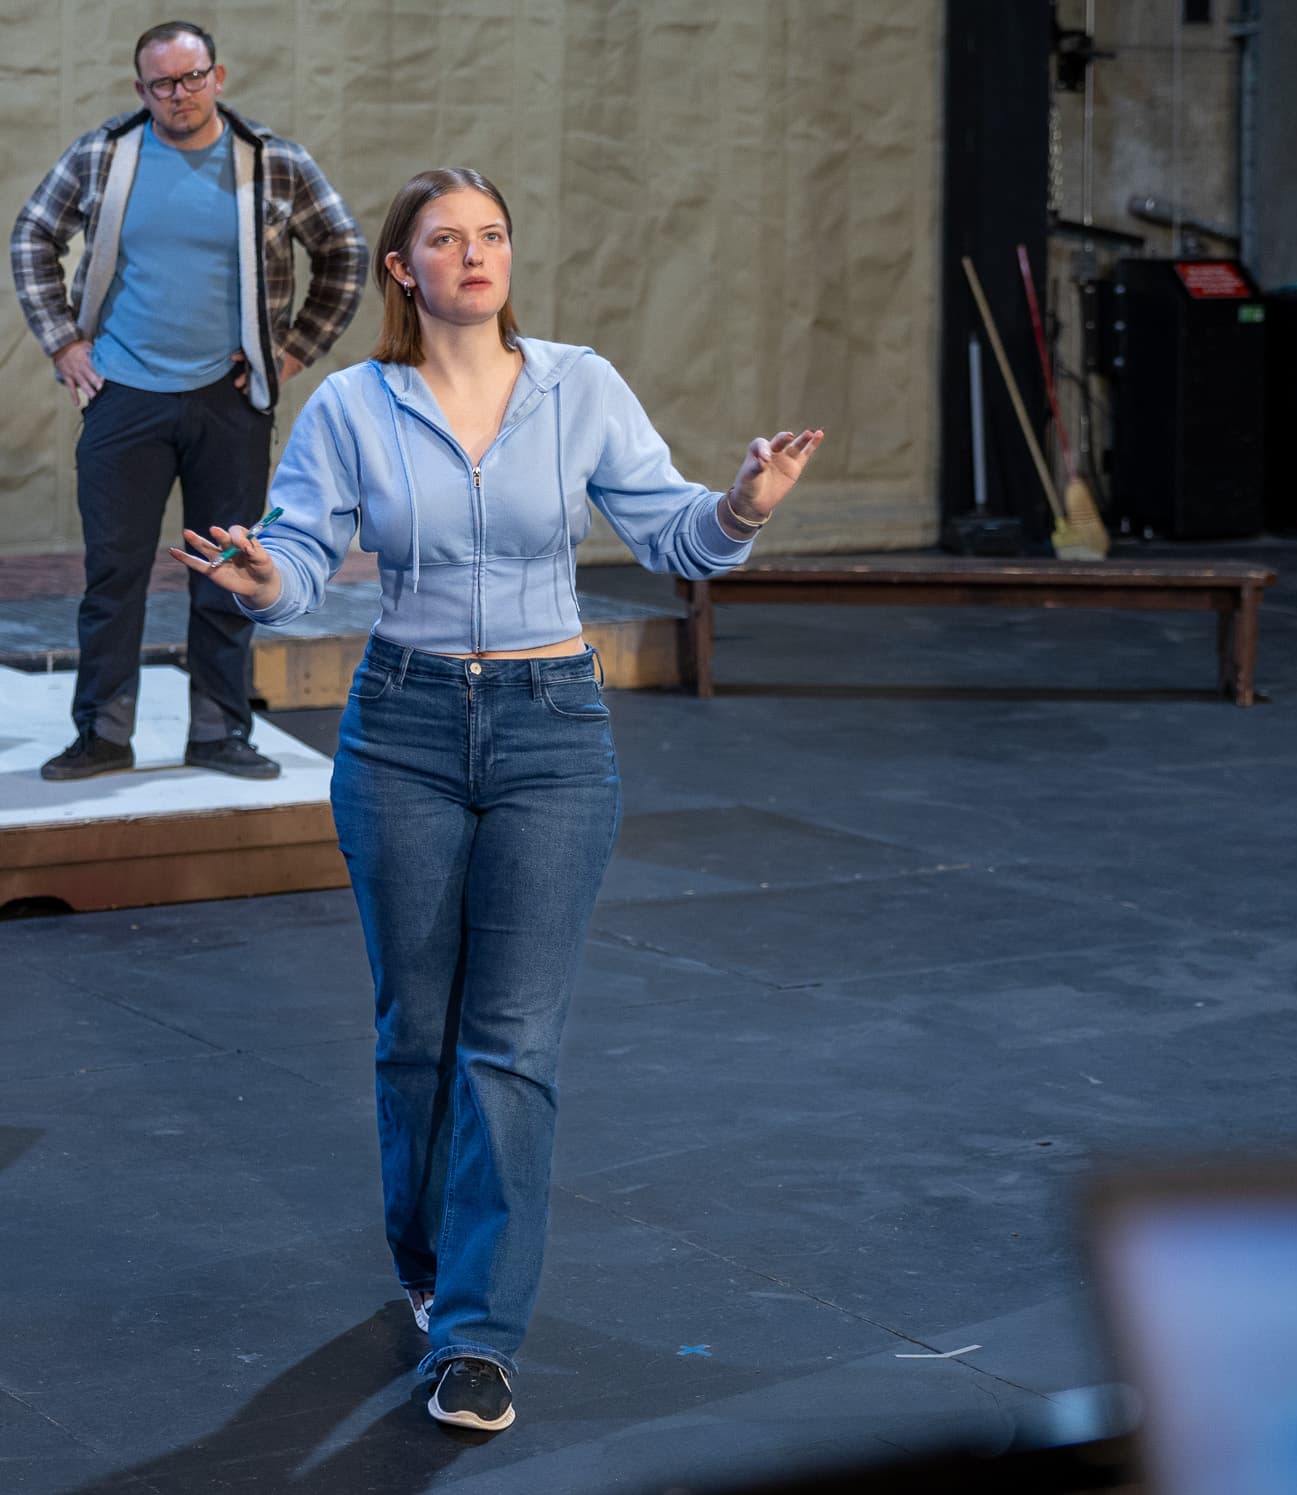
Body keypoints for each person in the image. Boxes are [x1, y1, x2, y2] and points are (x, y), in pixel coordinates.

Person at [172, 166, 824, 1433]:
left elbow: (676, 535)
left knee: (512, 1044)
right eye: (446, 239)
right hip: (403, 728)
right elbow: (297, 552)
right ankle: (428, 1266)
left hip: (550, 732)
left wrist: (743, 505)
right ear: (403, 269)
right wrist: (262, 579)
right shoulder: (354, 404)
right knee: (415, 1035)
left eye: (493, 236)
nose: (475, 255)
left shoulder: (581, 386)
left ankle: (477, 1333)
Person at [11, 19, 367, 781]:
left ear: (218, 76)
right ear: (141, 90)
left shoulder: (272, 161)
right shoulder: (105, 154)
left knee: (227, 569)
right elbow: (33, 234)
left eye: (193, 77)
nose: (180, 93)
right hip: (123, 395)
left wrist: (292, 351)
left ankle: (219, 731)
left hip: (227, 402)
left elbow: (345, 251)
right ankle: (102, 733)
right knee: (114, 574)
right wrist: (65, 343)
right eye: (163, 83)